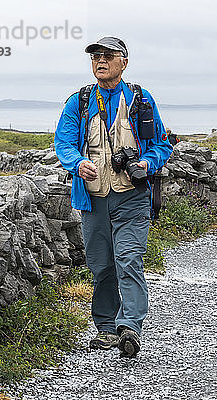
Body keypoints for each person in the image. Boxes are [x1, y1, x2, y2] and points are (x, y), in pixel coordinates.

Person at [54, 36, 173, 358]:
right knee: (101, 265)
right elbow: (62, 142)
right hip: (92, 198)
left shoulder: (141, 99)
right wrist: (77, 163)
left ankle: (130, 326)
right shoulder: (78, 101)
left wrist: (147, 163)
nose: (100, 62)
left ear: (124, 62)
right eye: (95, 57)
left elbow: (163, 144)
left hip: (131, 196)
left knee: (129, 261)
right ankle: (106, 328)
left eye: (108, 56)